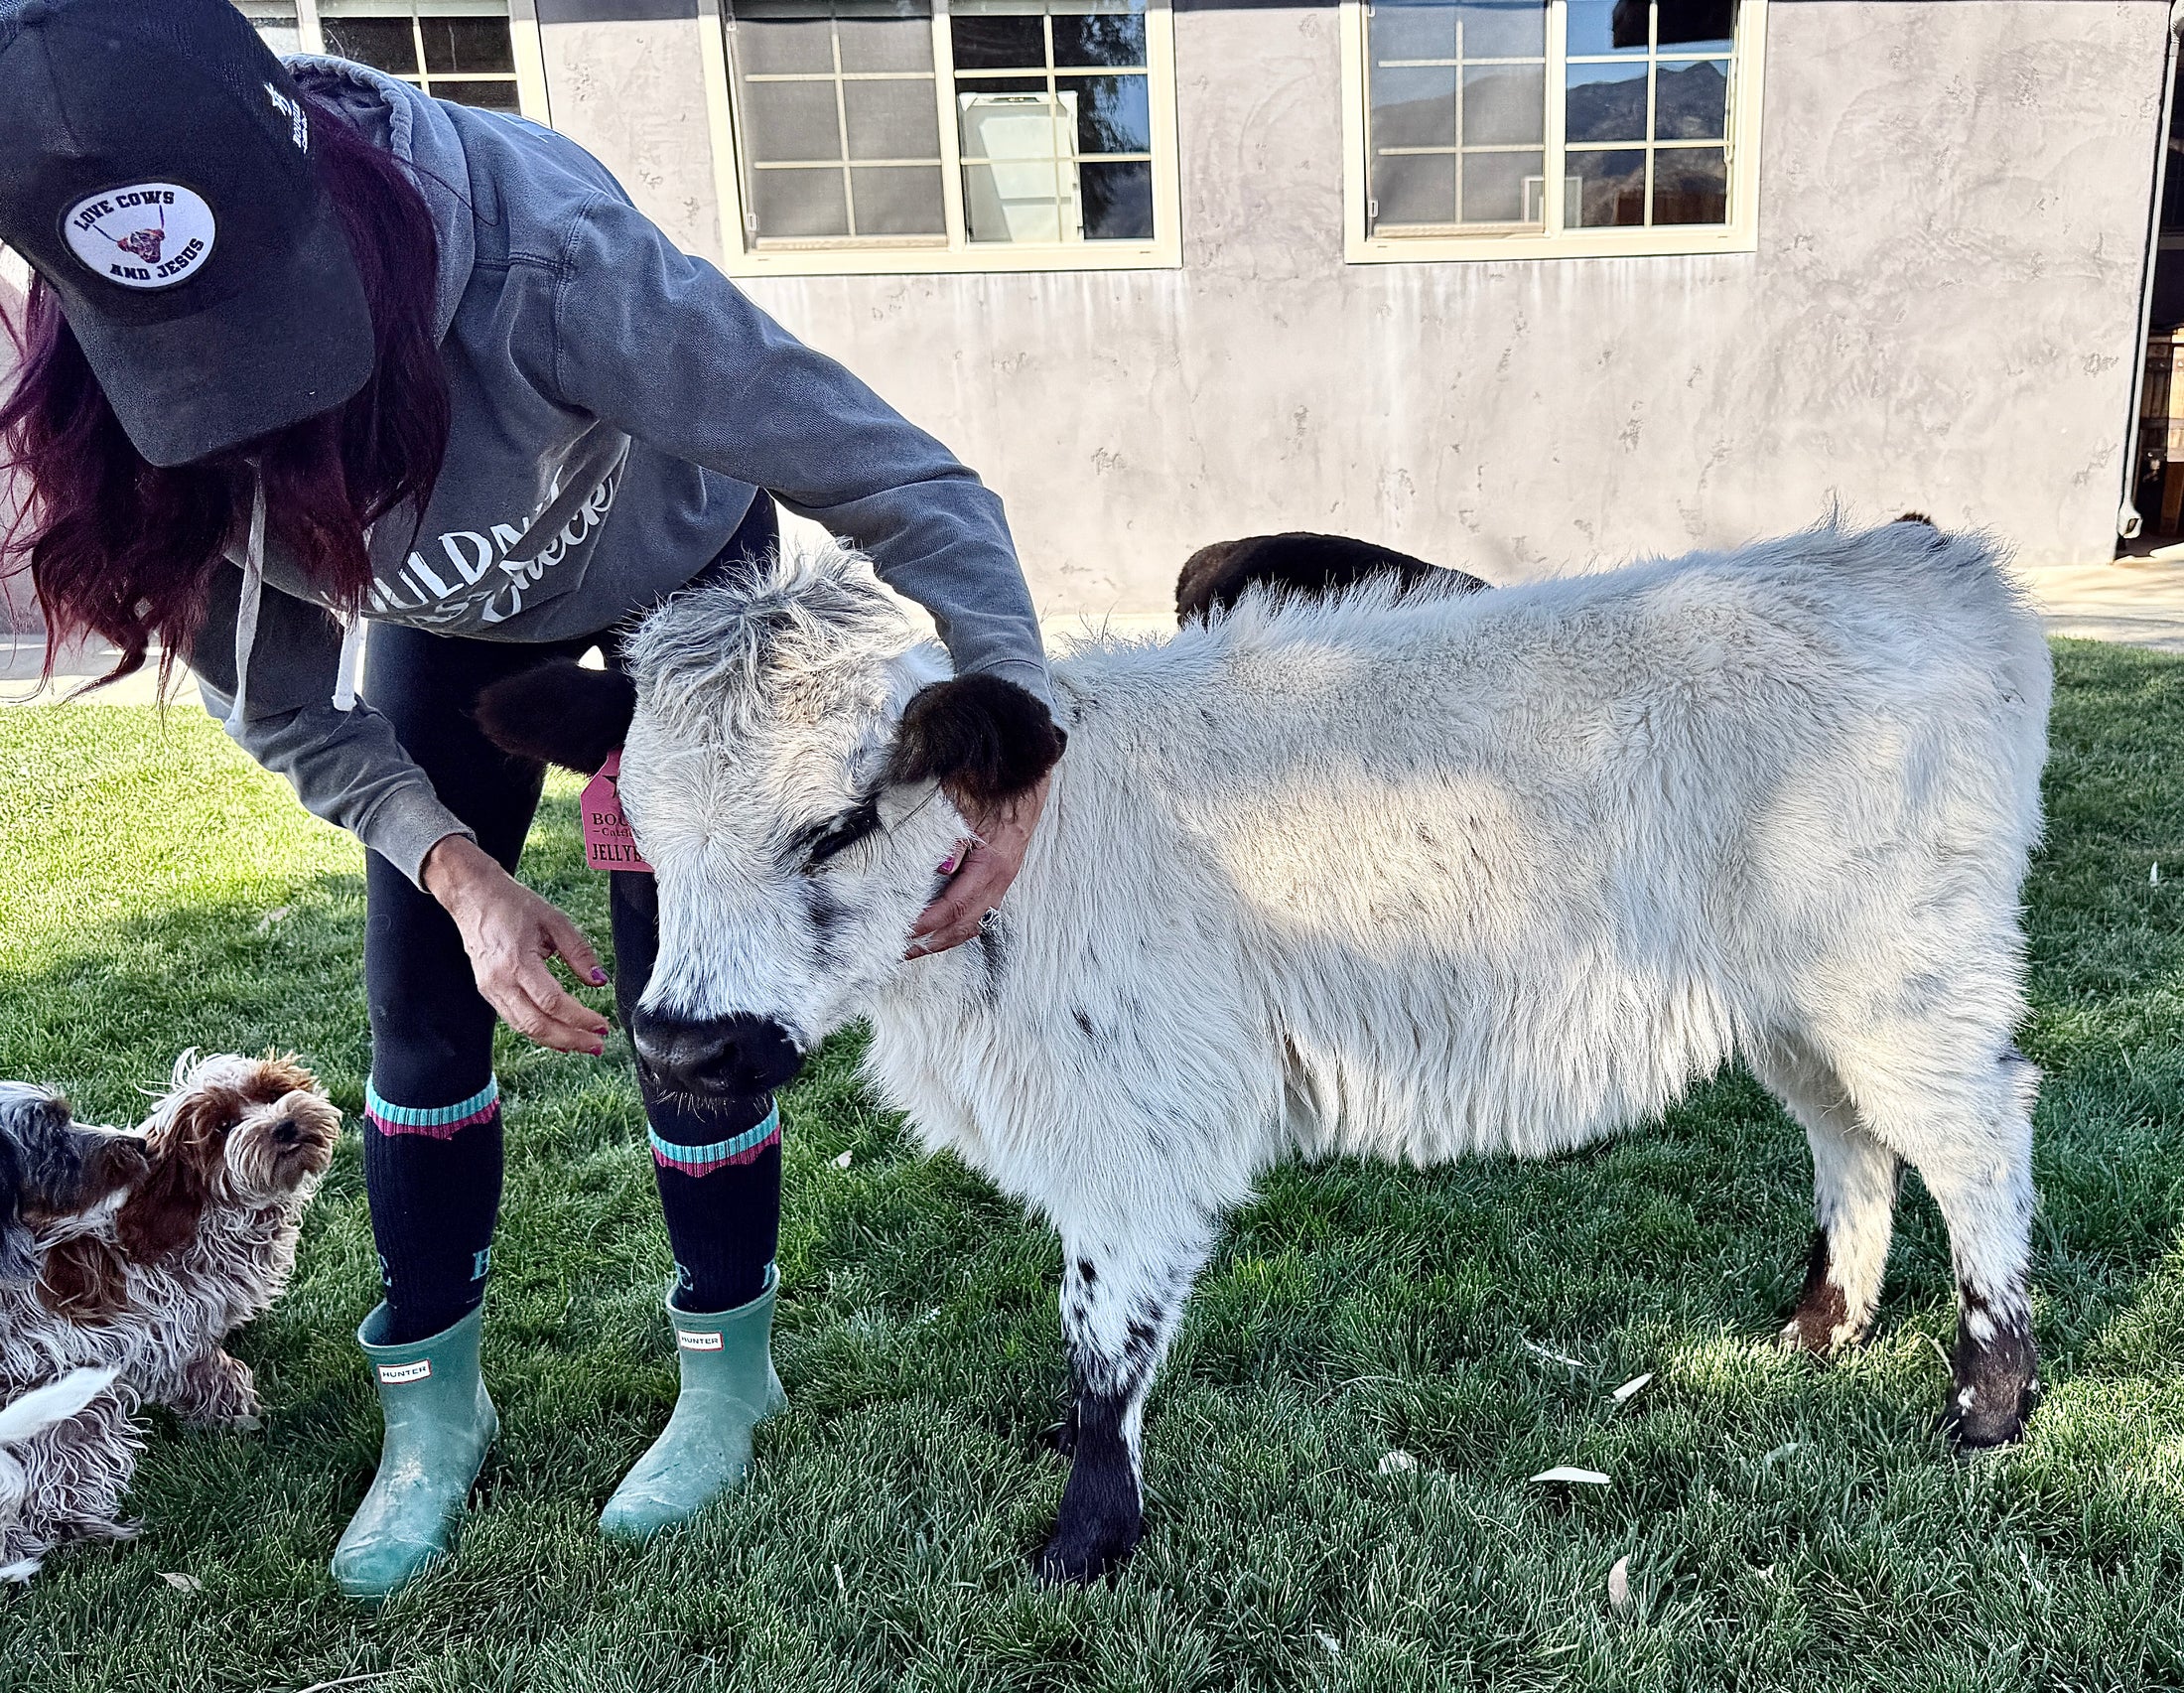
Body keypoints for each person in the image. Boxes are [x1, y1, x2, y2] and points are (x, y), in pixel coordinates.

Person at [0, 0, 1058, 1600]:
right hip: (452, 628)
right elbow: (282, 704)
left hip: (679, 592)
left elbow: (912, 483)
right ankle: (434, 1401)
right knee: (421, 1005)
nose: (268, 433)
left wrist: (1015, 757)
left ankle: (727, 1369)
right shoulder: (147, 405)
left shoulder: (556, 267)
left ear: (337, 214)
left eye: (285, 369)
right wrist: (456, 869)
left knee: (679, 997)